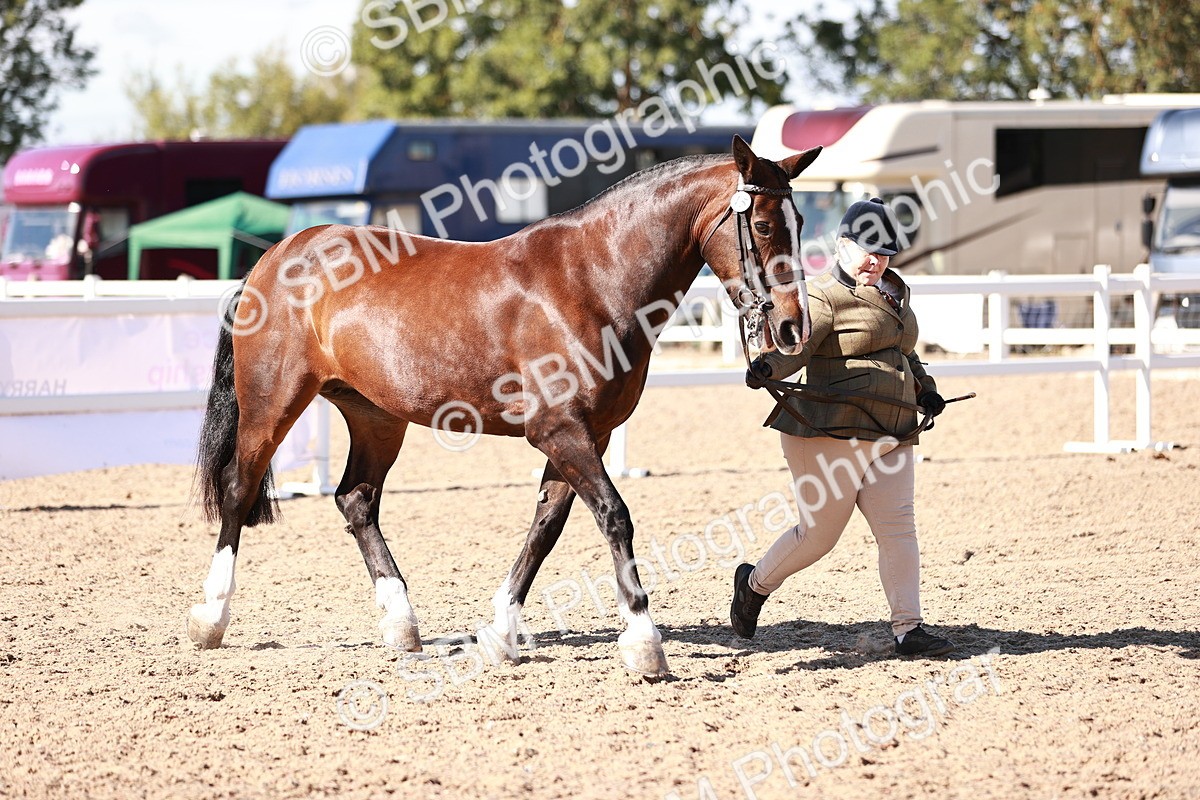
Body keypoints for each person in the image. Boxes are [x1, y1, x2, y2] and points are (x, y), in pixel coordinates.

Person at [730, 197, 955, 658]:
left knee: (898, 529)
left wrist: (925, 388)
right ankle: (754, 585)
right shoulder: (822, 297)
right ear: (842, 246)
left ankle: (908, 629)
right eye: (867, 249)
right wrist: (768, 368)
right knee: (819, 537)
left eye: (885, 251)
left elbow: (903, 353)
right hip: (831, 433)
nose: (876, 260)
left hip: (892, 430)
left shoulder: (894, 292)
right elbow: (797, 348)